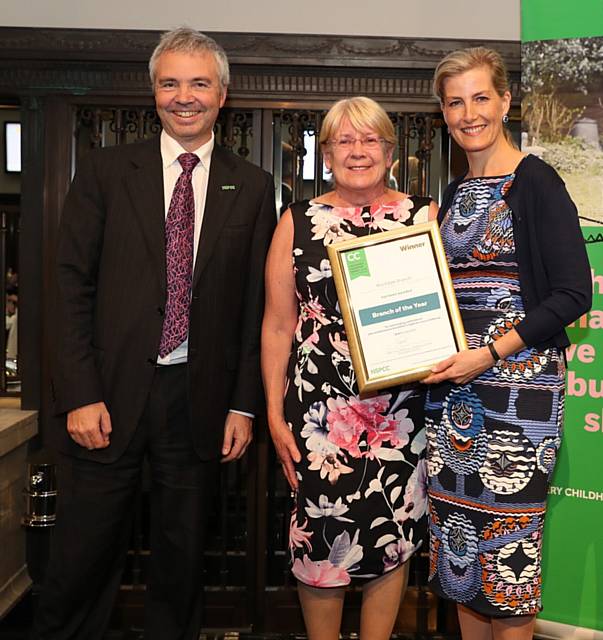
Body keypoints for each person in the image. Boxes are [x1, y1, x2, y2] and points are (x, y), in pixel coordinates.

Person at [32, 27, 276, 640]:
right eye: (170, 83)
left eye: (198, 83)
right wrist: (80, 392)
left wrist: (242, 404)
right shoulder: (106, 171)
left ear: (223, 94)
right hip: (106, 399)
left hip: (196, 404)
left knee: (182, 562)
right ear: (153, 92)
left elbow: (256, 309)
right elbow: (69, 288)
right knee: (81, 558)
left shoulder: (250, 186)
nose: (183, 96)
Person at [422, 47, 592, 640]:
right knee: (462, 571)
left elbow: (574, 295)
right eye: (455, 102)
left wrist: (489, 352)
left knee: (508, 570)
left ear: (505, 101)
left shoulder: (538, 181)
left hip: (519, 403)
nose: (469, 113)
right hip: (451, 403)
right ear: (443, 112)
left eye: (480, 98)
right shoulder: (451, 191)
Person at [262, 96, 438, 640]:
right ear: (326, 151)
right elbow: (276, 325)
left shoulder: (424, 216)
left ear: (390, 151)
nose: (357, 151)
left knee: (393, 536)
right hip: (318, 419)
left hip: (401, 413)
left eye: (370, 140)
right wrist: (273, 413)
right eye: (343, 140)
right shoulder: (297, 221)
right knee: (320, 540)